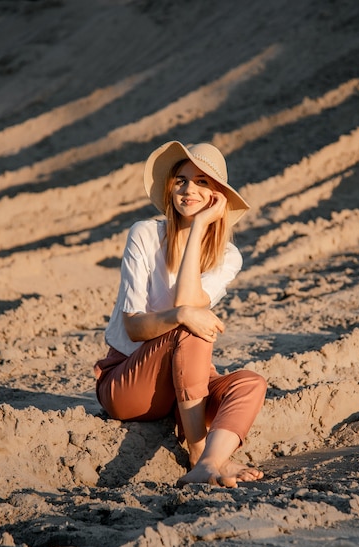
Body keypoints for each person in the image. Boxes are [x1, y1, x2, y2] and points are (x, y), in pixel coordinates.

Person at [94, 141, 267, 487]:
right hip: (128, 382)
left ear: (217, 195)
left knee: (251, 384)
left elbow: (188, 299)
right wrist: (183, 314)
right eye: (182, 180)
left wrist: (200, 228)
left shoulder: (228, 256)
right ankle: (199, 452)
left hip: (183, 383)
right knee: (191, 326)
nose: (189, 189)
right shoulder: (145, 234)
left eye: (202, 182)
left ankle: (212, 463)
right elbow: (134, 327)